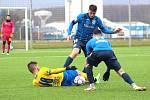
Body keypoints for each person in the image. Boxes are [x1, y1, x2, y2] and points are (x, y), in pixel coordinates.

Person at [63, 4, 120, 69]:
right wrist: (69, 34)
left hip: (88, 42)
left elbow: (103, 29)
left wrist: (113, 32)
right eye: (91, 13)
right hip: (79, 39)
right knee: (75, 51)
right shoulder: (82, 16)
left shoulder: (97, 20)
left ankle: (84, 75)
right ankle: (63, 68)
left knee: (89, 60)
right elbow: (72, 23)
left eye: (94, 13)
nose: (92, 15)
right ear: (88, 10)